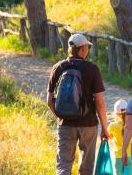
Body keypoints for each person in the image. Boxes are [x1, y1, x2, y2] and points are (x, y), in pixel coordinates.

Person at [46, 33, 109, 175]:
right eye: (87, 47)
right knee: (86, 167)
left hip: (65, 124)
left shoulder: (58, 67)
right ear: (83, 49)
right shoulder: (92, 69)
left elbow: (49, 101)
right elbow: (100, 103)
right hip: (88, 123)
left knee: (63, 164)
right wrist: (105, 128)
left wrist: (60, 117)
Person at [109, 100, 132, 175]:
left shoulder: (112, 126)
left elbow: (109, 137)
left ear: (115, 114)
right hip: (130, 156)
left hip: (118, 156)